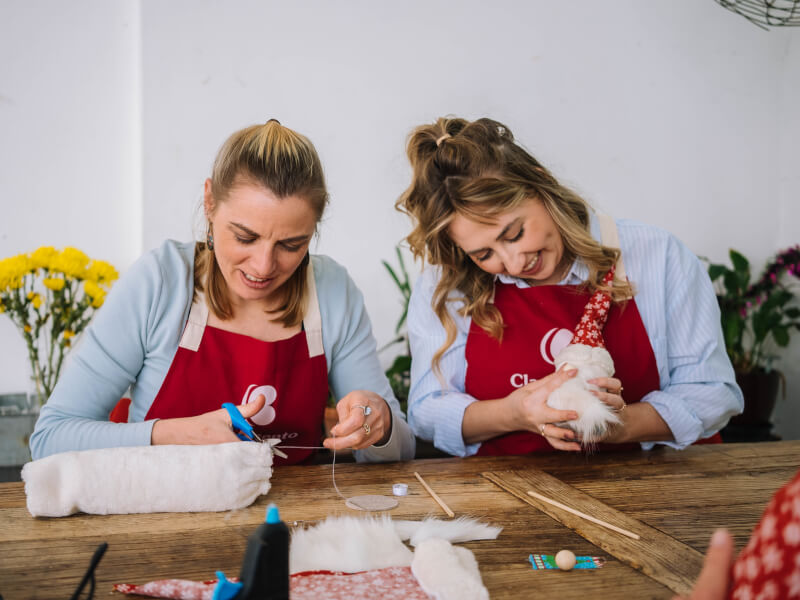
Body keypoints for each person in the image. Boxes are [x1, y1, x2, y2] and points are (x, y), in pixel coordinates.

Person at [31, 120, 415, 465]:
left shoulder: (332, 291)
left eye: (292, 245)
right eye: (244, 237)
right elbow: (51, 438)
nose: (264, 266)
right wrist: (173, 434)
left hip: (291, 525)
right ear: (210, 202)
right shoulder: (160, 283)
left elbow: (402, 446)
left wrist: (376, 422)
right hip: (158, 524)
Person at [397, 116, 742, 457]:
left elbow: (711, 392)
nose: (515, 264)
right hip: (508, 492)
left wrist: (621, 425)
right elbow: (427, 412)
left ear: (539, 183)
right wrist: (515, 413)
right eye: (484, 253)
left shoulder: (657, 255)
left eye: (515, 233)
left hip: (654, 486)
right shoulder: (445, 286)